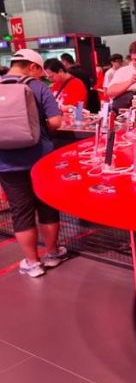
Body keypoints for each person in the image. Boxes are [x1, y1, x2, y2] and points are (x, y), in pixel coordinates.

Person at [0, 49, 66, 278]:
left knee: (21, 211)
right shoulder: (38, 87)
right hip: (40, 159)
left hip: (7, 162)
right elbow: (56, 122)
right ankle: (52, 253)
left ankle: (32, 263)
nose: (41, 76)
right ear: (32, 66)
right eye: (40, 71)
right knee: (47, 206)